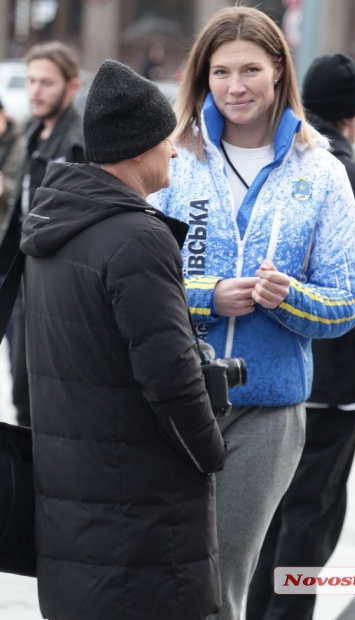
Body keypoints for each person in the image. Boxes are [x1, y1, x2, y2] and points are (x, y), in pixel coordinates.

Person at [148, 7, 355, 620]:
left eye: (249, 69)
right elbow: (137, 277)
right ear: (202, 76)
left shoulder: (321, 173)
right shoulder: (173, 159)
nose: (234, 85)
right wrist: (206, 294)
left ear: (278, 71)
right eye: (220, 71)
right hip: (173, 396)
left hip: (268, 412)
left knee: (221, 583)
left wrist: (288, 296)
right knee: (161, 573)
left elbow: (347, 301)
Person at [19, 59, 226, 620]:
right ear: (137, 150)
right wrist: (212, 453)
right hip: (140, 520)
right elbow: (171, 375)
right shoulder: (137, 238)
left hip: (71, 511)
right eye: (166, 140)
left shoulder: (52, 225)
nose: (175, 152)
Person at [246, 53, 355, 620]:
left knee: (266, 513)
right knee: (311, 515)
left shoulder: (278, 163)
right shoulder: (352, 180)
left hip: (276, 371)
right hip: (334, 385)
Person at [0, 41, 85, 426]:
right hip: (23, 278)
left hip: (59, 287)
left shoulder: (79, 142)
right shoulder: (32, 134)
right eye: (31, 81)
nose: (35, 90)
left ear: (71, 86)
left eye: (46, 83)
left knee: (51, 400)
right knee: (21, 390)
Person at [0, 99, 26, 364]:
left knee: (14, 339)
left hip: (8, 258)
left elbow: (20, 192)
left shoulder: (20, 145)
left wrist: (4, 188)